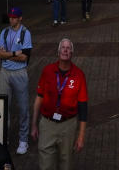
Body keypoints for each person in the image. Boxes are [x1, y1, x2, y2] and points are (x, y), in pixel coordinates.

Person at [31, 38, 88, 170]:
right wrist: (34, 125)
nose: (65, 50)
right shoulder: (47, 71)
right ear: (58, 52)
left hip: (68, 126)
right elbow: (39, 98)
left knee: (66, 163)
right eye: (63, 47)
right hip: (47, 125)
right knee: (45, 164)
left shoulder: (79, 75)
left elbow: (83, 107)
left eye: (68, 48)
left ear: (72, 53)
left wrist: (81, 136)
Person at [0, 6, 33, 155]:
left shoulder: (25, 33)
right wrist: (13, 53)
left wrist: (6, 54)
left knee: (23, 107)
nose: (11, 19)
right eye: (10, 17)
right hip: (4, 72)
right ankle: (4, 138)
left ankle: (23, 140)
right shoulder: (4, 32)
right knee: (4, 107)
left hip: (19, 73)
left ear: (20, 18)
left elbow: (25, 56)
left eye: (14, 17)